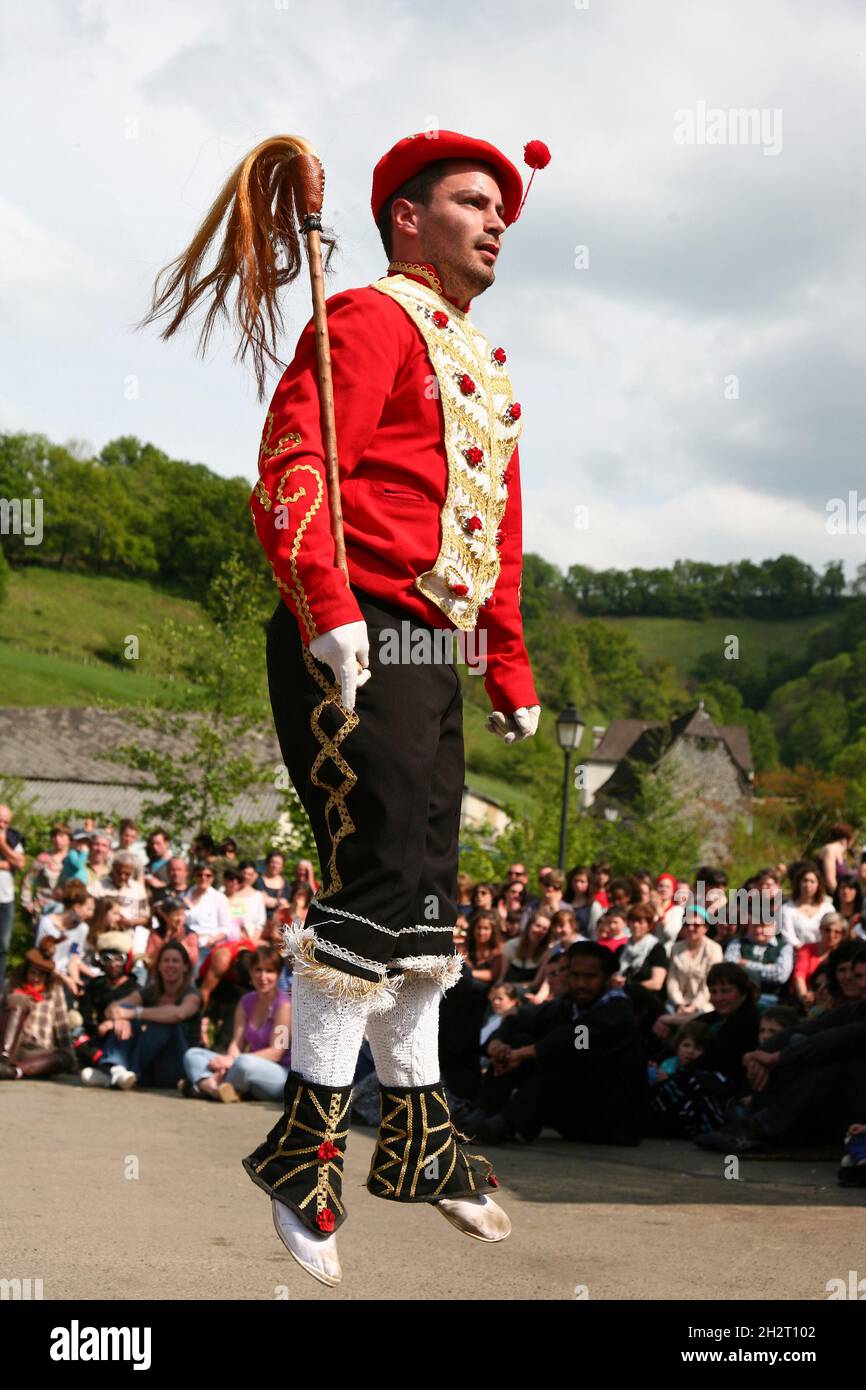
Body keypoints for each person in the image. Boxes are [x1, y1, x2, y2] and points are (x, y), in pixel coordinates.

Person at [143, 125, 549, 1282]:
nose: (496, 221)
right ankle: (307, 1145)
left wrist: (507, 664)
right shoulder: (366, 318)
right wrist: (320, 594)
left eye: (502, 207)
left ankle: (417, 1128)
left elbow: (496, 534)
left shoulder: (487, 366)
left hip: (435, 641)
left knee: (426, 898)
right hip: (356, 628)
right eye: (473, 201)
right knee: (372, 881)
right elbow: (293, 456)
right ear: (408, 217)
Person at [465, 941, 646, 1146]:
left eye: (590, 977)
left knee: (565, 1055)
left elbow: (577, 1038)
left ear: (608, 979)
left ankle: (506, 1123)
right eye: (575, 976)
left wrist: (524, 1054)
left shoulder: (618, 1010)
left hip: (613, 1120)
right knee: (518, 1038)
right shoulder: (570, 1004)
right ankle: (482, 1113)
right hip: (575, 1112)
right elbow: (521, 1017)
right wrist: (497, 1044)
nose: (581, 984)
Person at [696, 947, 866, 1155]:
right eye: (857, 975)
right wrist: (761, 1055)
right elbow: (806, 1028)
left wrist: (777, 1057)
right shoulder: (856, 1009)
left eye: (860, 976)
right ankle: (751, 1124)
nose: (858, 982)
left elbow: (839, 1037)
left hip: (855, 1106)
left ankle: (759, 1127)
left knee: (828, 1056)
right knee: (796, 1039)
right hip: (837, 1100)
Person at [648, 963, 760, 1137]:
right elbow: (690, 1029)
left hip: (729, 1086)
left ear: (742, 992)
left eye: (725, 991)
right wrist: (657, 1061)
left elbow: (718, 1059)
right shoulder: (716, 1016)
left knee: (681, 1082)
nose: (718, 997)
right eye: (713, 991)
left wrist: (677, 1072)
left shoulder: (748, 1020)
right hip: (701, 1075)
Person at [182, 945, 291, 1102]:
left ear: (278, 974)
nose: (263, 976)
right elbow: (236, 1043)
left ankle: (201, 1086)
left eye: (269, 971)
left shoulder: (284, 1005)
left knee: (243, 1062)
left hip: (278, 1074)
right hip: (244, 1068)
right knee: (193, 1054)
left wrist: (231, 1062)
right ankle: (215, 1089)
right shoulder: (246, 1001)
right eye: (258, 970)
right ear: (251, 972)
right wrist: (228, 1060)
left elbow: (276, 1052)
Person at [92, 940, 200, 1089]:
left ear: (185, 967)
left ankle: (114, 1073)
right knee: (128, 1009)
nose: (170, 965)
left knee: (164, 1023)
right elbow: (113, 1008)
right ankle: (115, 1067)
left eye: (175, 961)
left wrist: (133, 1013)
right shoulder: (151, 992)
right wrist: (121, 1018)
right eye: (166, 961)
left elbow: (179, 1014)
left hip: (177, 1066)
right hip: (151, 1066)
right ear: (159, 967)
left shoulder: (192, 995)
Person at [0, 941, 77, 1079]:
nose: (35, 978)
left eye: (41, 975)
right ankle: (3, 1060)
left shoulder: (55, 990)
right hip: (11, 1045)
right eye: (33, 972)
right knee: (18, 1001)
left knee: (64, 1057)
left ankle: (13, 1071)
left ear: (47, 976)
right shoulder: (11, 984)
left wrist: (72, 1059)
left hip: (36, 1050)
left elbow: (62, 1026)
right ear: (26, 970)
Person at [724, 912, 794, 1008]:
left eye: (764, 926)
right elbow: (729, 969)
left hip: (773, 1000)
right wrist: (768, 968)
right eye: (755, 926)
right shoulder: (737, 943)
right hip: (740, 999)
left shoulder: (785, 947)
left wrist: (746, 963)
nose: (758, 930)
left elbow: (780, 975)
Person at [665, 905, 723, 1015]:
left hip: (705, 1004)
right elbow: (672, 980)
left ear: (705, 928)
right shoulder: (676, 948)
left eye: (696, 925)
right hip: (677, 1003)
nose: (691, 928)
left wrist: (694, 1006)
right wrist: (679, 1003)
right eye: (687, 924)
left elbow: (710, 983)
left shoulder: (714, 949)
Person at [791, 913, 847, 1009]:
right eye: (827, 930)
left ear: (843, 935)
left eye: (837, 932)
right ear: (820, 930)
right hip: (805, 999)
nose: (831, 935)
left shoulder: (844, 954)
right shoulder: (807, 949)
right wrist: (805, 997)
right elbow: (799, 976)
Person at [20, 822, 70, 926]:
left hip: (66, 910)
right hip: (43, 908)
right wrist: (27, 902)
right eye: (54, 836)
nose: (57, 839)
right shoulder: (44, 858)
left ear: (69, 838)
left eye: (61, 836)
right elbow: (28, 880)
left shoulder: (74, 860)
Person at [779, 861, 834, 948]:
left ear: (818, 885)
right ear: (799, 883)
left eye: (812, 881)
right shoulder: (787, 909)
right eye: (805, 881)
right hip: (797, 954)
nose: (808, 885)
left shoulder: (827, 908)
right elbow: (788, 936)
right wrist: (805, 951)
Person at [0, 804, 26, 989]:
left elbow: (20, 862)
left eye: (5, 822)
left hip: (5, 899)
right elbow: (12, 863)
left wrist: (2, 844)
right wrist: (8, 863)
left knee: (3, 946)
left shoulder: (13, 837)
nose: (2, 824)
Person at [501, 909, 551, 985]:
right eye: (537, 926)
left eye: (545, 929)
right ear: (529, 926)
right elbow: (502, 977)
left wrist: (512, 987)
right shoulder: (511, 945)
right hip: (506, 989)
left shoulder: (546, 953)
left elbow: (535, 983)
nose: (540, 931)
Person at [464, 909, 505, 985]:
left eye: (486, 928)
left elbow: (493, 975)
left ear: (493, 931)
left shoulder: (499, 949)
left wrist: (468, 973)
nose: (481, 932)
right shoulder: (466, 946)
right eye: (479, 927)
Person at [815, 822, 855, 895]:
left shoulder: (841, 853)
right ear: (849, 837)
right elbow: (830, 881)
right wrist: (839, 899)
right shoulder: (831, 850)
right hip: (828, 897)